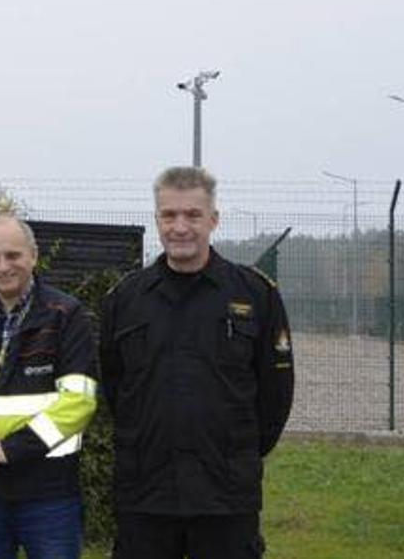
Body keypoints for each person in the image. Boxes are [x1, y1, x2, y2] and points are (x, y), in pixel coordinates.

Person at [99, 167, 295, 559]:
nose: (180, 227)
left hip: (225, 492)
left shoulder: (254, 294)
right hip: (146, 491)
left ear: (213, 220)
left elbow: (275, 396)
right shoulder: (126, 299)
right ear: (157, 221)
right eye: (169, 216)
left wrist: (236, 451)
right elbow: (115, 386)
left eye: (192, 215)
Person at [0, 215, 98, 559]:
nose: (3, 266)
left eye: (13, 255)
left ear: (34, 255)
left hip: (49, 495)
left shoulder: (66, 316)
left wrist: (9, 449)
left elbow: (79, 403)